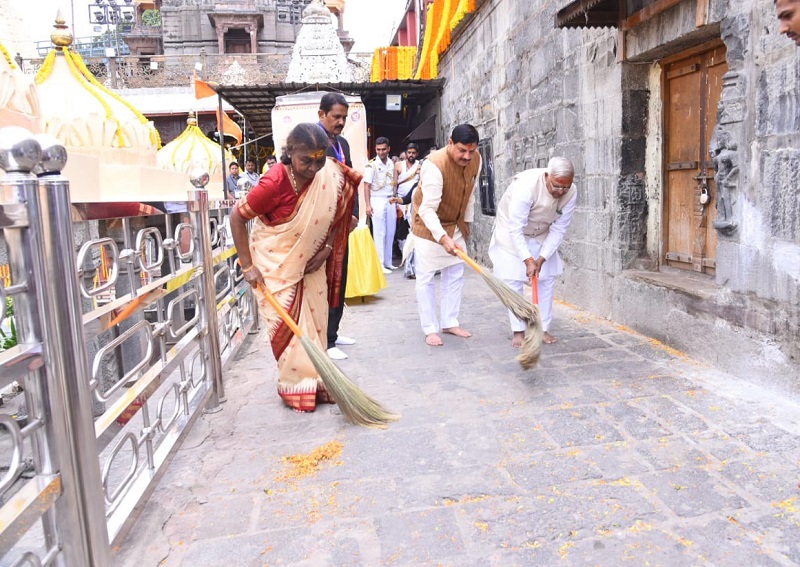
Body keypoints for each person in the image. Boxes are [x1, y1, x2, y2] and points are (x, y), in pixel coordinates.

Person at [228, 123, 361, 413]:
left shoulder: (327, 174)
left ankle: (318, 381)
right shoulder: (274, 182)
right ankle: (296, 385)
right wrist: (247, 265)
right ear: (289, 154)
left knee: (314, 322)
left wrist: (326, 249)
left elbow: (339, 215)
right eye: (306, 161)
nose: (314, 168)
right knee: (287, 324)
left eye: (320, 159)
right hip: (274, 261)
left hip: (311, 259)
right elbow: (236, 218)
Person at [488, 157, 577, 347]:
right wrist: (528, 260)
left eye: (565, 187)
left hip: (541, 232)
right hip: (512, 232)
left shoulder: (572, 192)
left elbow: (560, 228)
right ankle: (518, 331)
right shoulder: (526, 187)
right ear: (547, 176)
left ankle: (542, 329)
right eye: (556, 186)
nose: (560, 192)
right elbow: (515, 228)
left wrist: (541, 258)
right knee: (513, 281)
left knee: (546, 279)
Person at [409, 124, 481, 347]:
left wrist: (466, 220)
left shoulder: (475, 159)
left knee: (456, 272)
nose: (467, 156)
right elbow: (426, 209)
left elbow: (470, 192)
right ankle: (430, 328)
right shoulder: (434, 165)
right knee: (426, 276)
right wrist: (442, 238)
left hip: (455, 223)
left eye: (471, 151)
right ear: (450, 143)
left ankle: (450, 322)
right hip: (427, 224)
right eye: (462, 150)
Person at [318, 92, 358, 360]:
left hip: (344, 222)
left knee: (340, 277)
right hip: (322, 223)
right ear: (321, 115)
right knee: (323, 280)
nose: (341, 122)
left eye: (344, 117)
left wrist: (353, 214)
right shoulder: (313, 139)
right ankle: (323, 339)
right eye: (336, 117)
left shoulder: (342, 142)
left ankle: (334, 332)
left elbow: (351, 182)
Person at [363, 136, 397, 274]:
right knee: (379, 232)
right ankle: (380, 263)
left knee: (390, 232)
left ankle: (388, 262)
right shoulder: (371, 165)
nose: (381, 152)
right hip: (376, 199)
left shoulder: (391, 163)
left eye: (383, 149)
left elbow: (394, 182)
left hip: (390, 199)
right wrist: (367, 205)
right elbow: (366, 186)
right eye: (378, 149)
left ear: (388, 149)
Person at [390, 142, 421, 278]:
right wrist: (395, 198)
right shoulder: (398, 166)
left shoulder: (420, 166)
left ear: (417, 154)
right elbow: (395, 184)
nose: (411, 155)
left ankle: (414, 265)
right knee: (404, 234)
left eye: (414, 153)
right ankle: (408, 263)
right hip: (403, 201)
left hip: (417, 202)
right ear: (406, 153)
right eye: (409, 152)